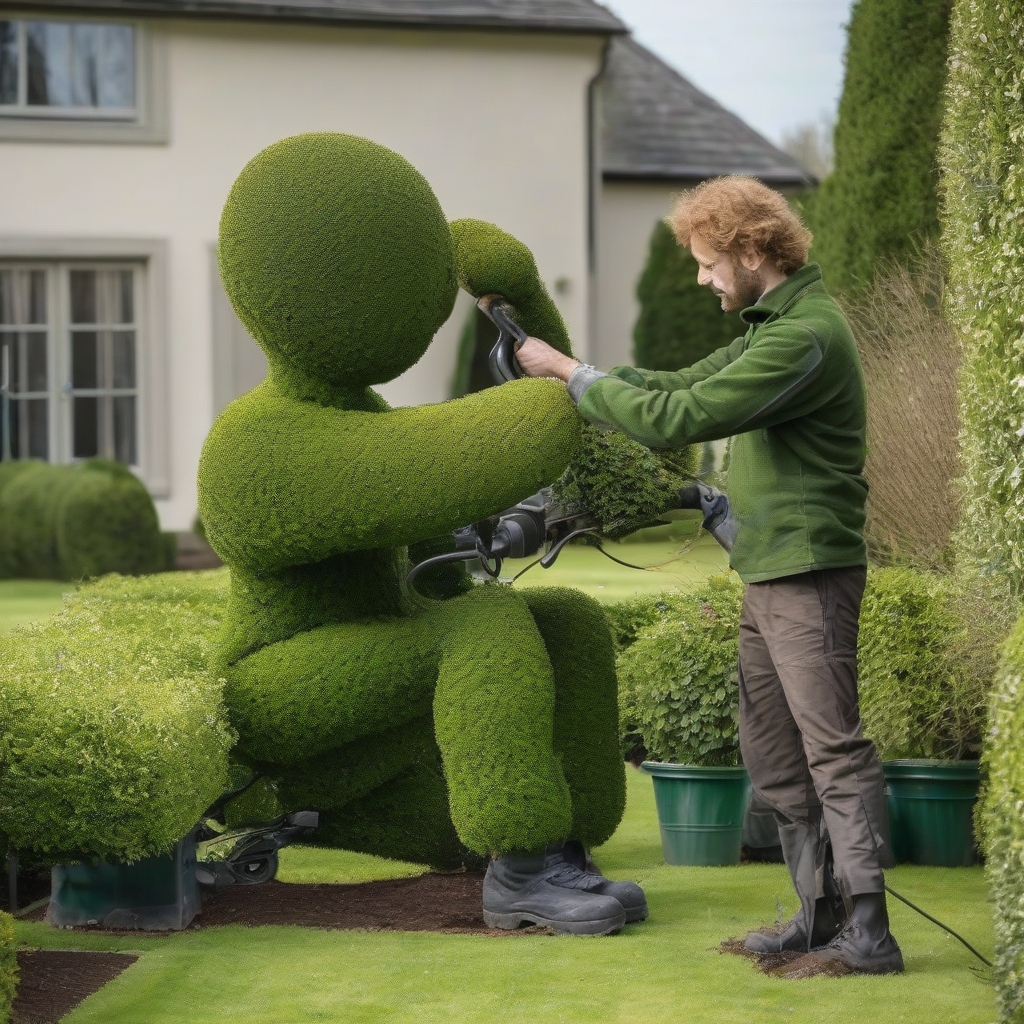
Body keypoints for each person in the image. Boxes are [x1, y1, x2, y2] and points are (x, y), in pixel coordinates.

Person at [514, 175, 903, 975]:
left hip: (809, 572)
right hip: (769, 571)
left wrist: (569, 379)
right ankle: (817, 913)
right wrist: (577, 367)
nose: (700, 278)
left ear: (752, 250)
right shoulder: (775, 325)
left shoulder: (807, 336)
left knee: (833, 750)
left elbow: (685, 418)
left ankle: (869, 930)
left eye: (706, 262)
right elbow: (678, 385)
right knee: (773, 753)